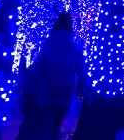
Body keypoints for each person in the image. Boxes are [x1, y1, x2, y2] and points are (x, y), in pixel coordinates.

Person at [17, 12, 84, 140]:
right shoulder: (74, 48)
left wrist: (26, 77)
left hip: (48, 93)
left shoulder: (49, 45)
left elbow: (38, 67)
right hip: (65, 93)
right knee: (56, 125)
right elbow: (81, 71)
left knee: (45, 126)